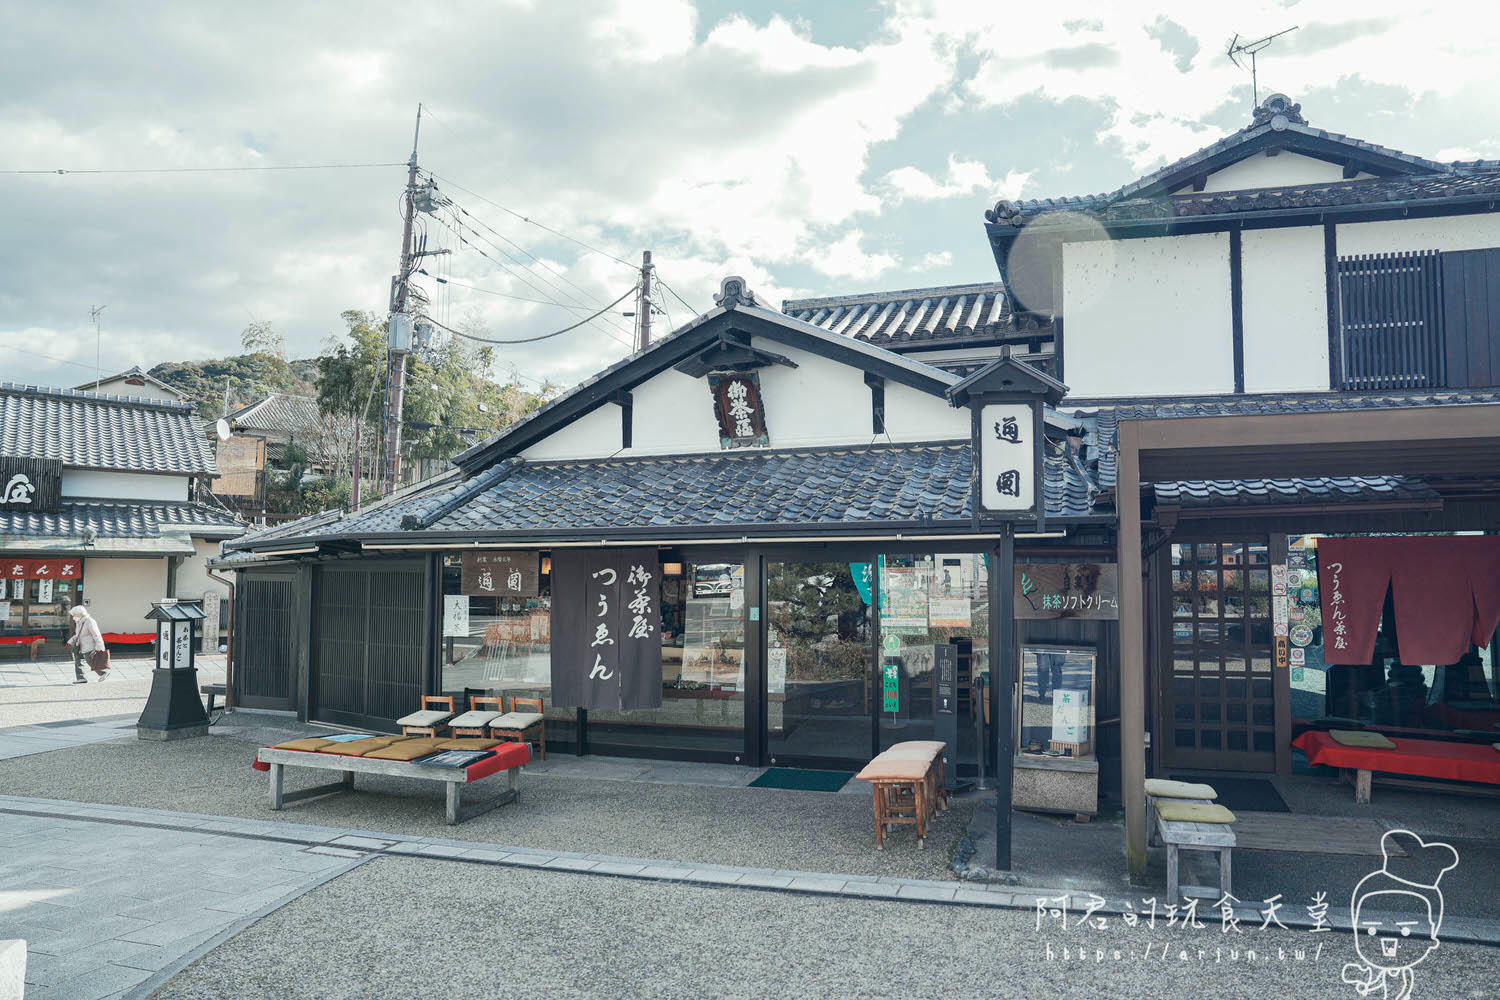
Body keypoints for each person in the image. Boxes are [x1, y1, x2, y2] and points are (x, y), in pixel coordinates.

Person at [66, 605, 109, 683]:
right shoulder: (78, 621)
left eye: (74, 615)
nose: (73, 617)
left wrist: (100, 647)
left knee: (90, 661)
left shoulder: (90, 621)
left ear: (80, 614)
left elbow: (96, 635)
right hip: (79, 645)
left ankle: (103, 672)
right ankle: (81, 678)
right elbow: (78, 634)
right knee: (78, 661)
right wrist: (70, 641)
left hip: (89, 645)